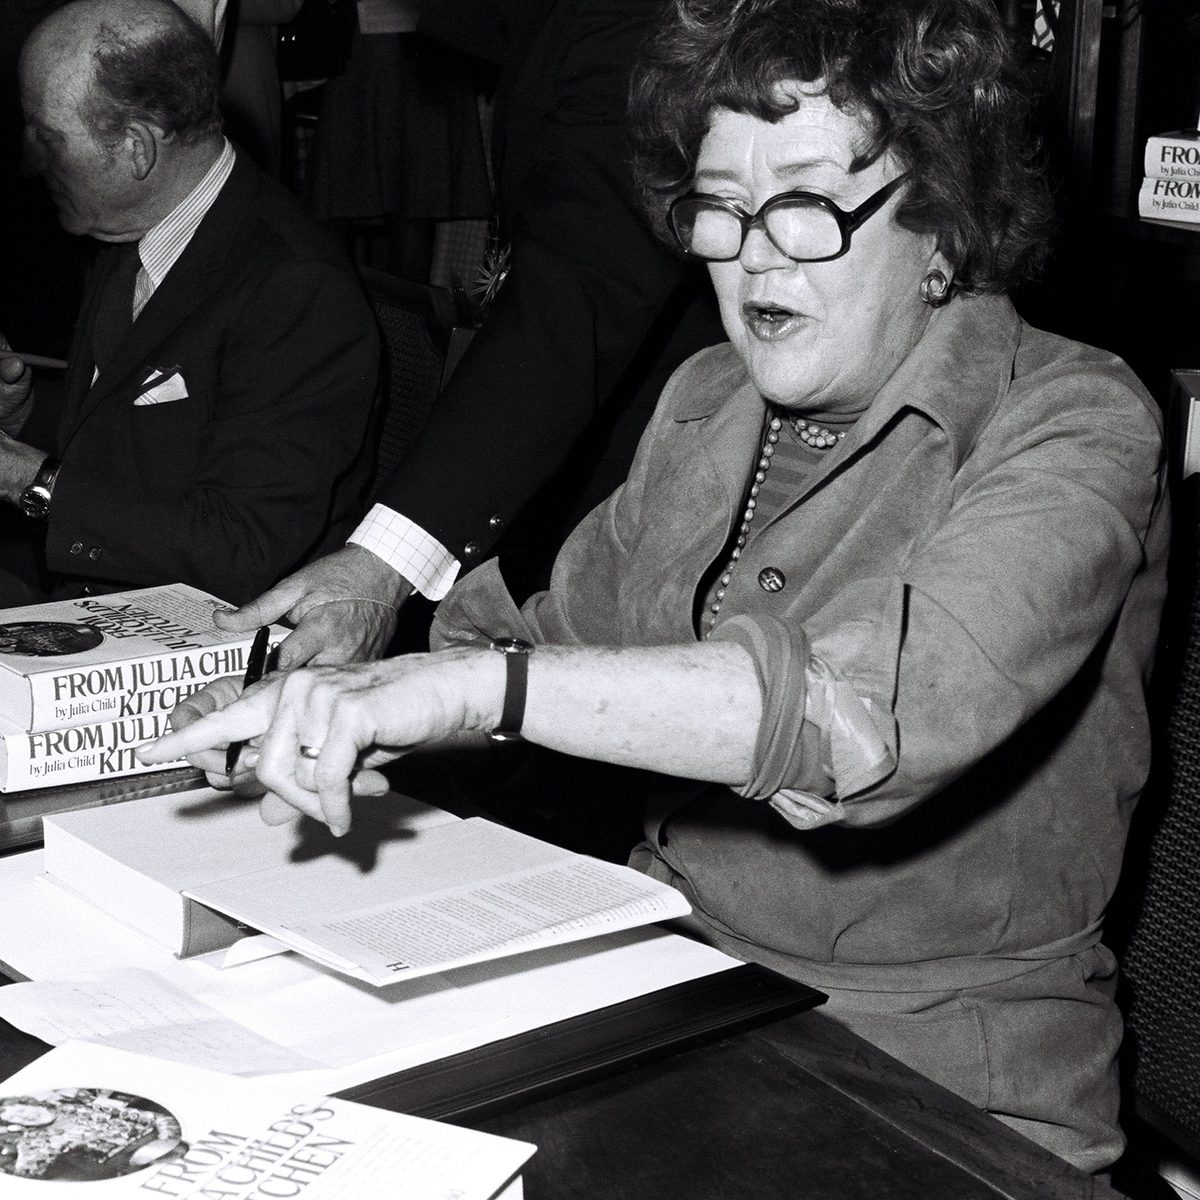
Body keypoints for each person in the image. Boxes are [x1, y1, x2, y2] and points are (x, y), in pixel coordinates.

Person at [139, 0, 1169, 1172]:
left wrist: (468, 692)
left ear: (944, 218)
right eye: (721, 210)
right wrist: (346, 698)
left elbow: (856, 719)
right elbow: (542, 636)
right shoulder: (707, 405)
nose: (754, 254)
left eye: (805, 203)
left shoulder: (1076, 421)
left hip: (944, 1093)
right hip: (677, 991)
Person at [207, 0, 723, 667]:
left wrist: (381, 566)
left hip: (663, 487)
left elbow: (576, 293)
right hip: (580, 449)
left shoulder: (634, 22)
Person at [0, 0, 377, 605]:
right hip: (105, 596)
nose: (29, 156)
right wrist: (22, 419)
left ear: (136, 150)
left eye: (48, 137)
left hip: (212, 638)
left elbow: (240, 549)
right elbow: (137, 442)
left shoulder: (295, 289)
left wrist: (23, 476)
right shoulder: (136, 226)